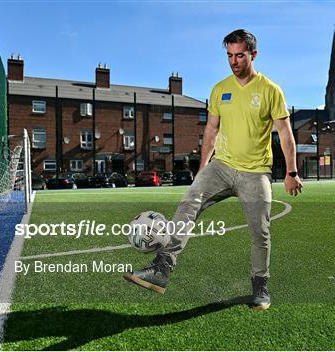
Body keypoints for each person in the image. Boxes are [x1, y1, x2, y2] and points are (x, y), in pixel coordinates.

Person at [123, 29, 303, 310]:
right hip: (222, 165)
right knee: (188, 204)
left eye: (240, 55)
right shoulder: (220, 89)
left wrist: (291, 172)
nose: (234, 61)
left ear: (253, 55)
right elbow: (211, 130)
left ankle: (260, 286)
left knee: (261, 232)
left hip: (256, 172)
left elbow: (286, 134)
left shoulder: (270, 90)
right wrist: (203, 166)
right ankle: (162, 269)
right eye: (229, 56)